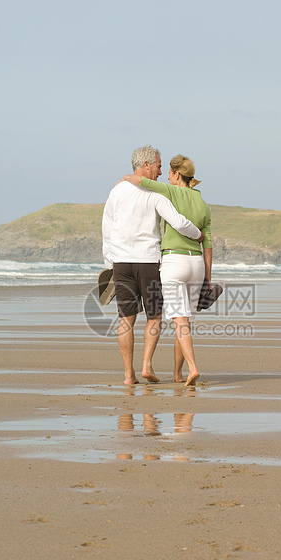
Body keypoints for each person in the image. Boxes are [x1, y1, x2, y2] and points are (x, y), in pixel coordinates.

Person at [102, 145, 204, 385]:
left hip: (121, 263)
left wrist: (110, 262)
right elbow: (178, 222)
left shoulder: (116, 191)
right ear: (146, 165)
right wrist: (198, 234)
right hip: (147, 261)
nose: (160, 172)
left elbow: (107, 227)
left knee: (125, 319)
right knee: (154, 316)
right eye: (158, 166)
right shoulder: (156, 194)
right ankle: (147, 365)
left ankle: (129, 375)